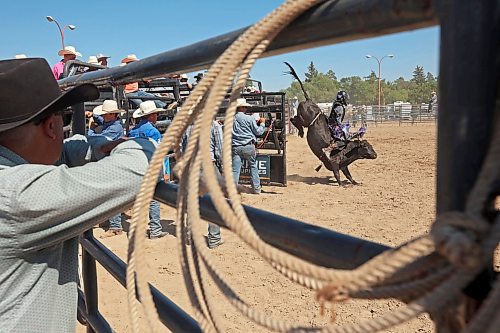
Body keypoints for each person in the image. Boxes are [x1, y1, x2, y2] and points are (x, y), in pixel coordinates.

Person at [0, 58, 156, 332]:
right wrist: (138, 146)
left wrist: (97, 147)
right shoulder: (20, 195)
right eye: (65, 118)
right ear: (51, 127)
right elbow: (137, 171)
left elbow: (63, 150)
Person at [128, 101, 168, 239]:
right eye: (155, 114)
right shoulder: (153, 132)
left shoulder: (133, 130)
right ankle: (155, 229)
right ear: (150, 116)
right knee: (154, 199)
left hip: (135, 166)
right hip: (151, 167)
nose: (156, 116)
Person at [232, 98, 265, 194]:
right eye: (245, 107)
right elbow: (258, 132)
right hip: (248, 146)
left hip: (236, 146)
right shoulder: (249, 118)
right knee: (253, 166)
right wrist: (262, 123)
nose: (246, 108)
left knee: (235, 169)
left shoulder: (230, 119)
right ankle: (256, 188)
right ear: (242, 107)